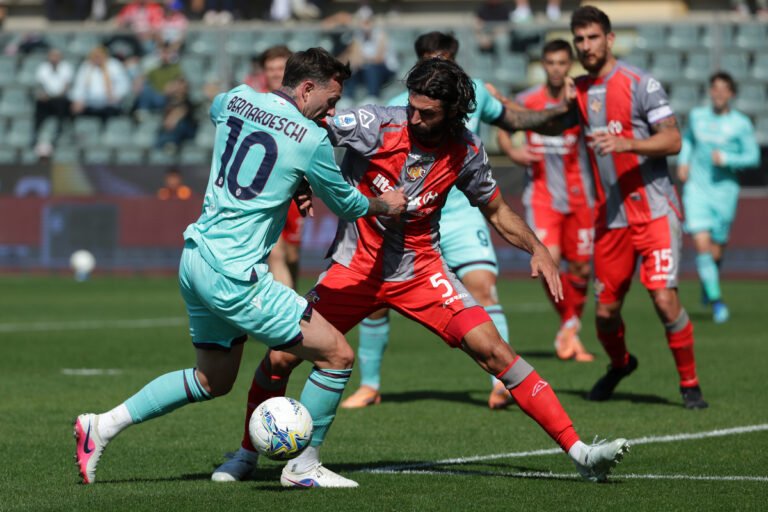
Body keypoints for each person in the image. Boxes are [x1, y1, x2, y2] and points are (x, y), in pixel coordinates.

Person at [212, 57, 629, 486]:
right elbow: (303, 127)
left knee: (495, 350)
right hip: (353, 268)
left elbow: (498, 210)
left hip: (420, 271)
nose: (414, 117)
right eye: (411, 106)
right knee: (280, 357)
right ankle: (246, 454)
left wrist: (537, 248)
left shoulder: (466, 150)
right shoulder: (375, 123)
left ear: (453, 111)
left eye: (426, 112)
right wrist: (300, 181)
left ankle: (580, 452)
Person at [73, 47, 408, 485]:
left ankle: (101, 426)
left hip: (195, 259)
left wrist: (290, 179)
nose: (333, 108)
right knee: (337, 356)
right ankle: (303, 467)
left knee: (212, 379)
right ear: (307, 88)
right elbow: (346, 202)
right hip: (236, 275)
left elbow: (221, 116)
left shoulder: (235, 98)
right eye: (330, 98)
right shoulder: (310, 138)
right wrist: (387, 203)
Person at [344, 31, 568, 411]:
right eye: (430, 58)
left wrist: (564, 114)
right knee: (376, 303)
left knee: (483, 287)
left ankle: (500, 383)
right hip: (409, 221)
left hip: (463, 211)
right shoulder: (402, 107)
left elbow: (515, 118)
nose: (439, 64)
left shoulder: (476, 93)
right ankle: (371, 385)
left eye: (445, 57)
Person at [567, 6, 707, 408]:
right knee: (606, 314)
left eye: (593, 37)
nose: (586, 46)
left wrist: (628, 142)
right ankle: (621, 364)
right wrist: (505, 113)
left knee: (664, 298)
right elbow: (550, 122)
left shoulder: (641, 84)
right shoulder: (580, 91)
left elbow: (673, 140)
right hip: (611, 218)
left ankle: (690, 384)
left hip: (654, 211)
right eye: (580, 39)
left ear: (610, 39)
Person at [497, 39, 595, 362]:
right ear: (543, 65)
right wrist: (512, 151)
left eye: (561, 63)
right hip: (542, 197)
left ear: (570, 65)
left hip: (581, 196)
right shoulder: (529, 100)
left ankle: (570, 328)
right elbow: (503, 125)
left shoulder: (580, 100)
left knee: (581, 267)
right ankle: (569, 323)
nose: (556, 68)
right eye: (550, 63)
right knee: (548, 260)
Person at [676, 71, 760, 323]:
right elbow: (688, 140)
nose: (719, 93)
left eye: (724, 89)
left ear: (731, 94)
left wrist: (728, 159)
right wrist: (683, 161)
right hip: (696, 190)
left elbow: (753, 157)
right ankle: (717, 301)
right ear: (710, 92)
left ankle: (708, 282)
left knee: (716, 249)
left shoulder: (741, 124)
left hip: (725, 193)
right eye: (715, 88)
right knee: (701, 244)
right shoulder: (697, 117)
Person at [244, 45, 306, 290]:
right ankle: (289, 321)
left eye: (280, 68)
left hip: (294, 190)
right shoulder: (254, 103)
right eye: (270, 69)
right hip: (264, 191)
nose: (274, 73)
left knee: (292, 256)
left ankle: (291, 300)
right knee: (275, 254)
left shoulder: (304, 105)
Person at [70, 46, 131, 124]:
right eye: (95, 56)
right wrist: (78, 100)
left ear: (105, 55)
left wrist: (116, 96)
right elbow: (79, 85)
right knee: (74, 109)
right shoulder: (86, 66)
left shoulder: (114, 65)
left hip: (109, 102)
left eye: (99, 56)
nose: (97, 58)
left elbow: (124, 84)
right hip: (89, 103)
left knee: (111, 113)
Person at [32, 48, 74, 150]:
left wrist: (57, 95)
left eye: (56, 56)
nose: (54, 58)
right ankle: (36, 133)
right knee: (39, 104)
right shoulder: (43, 67)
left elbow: (66, 86)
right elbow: (40, 85)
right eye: (52, 56)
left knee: (61, 104)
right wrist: (43, 94)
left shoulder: (66, 67)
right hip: (47, 98)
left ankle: (59, 131)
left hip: (61, 98)